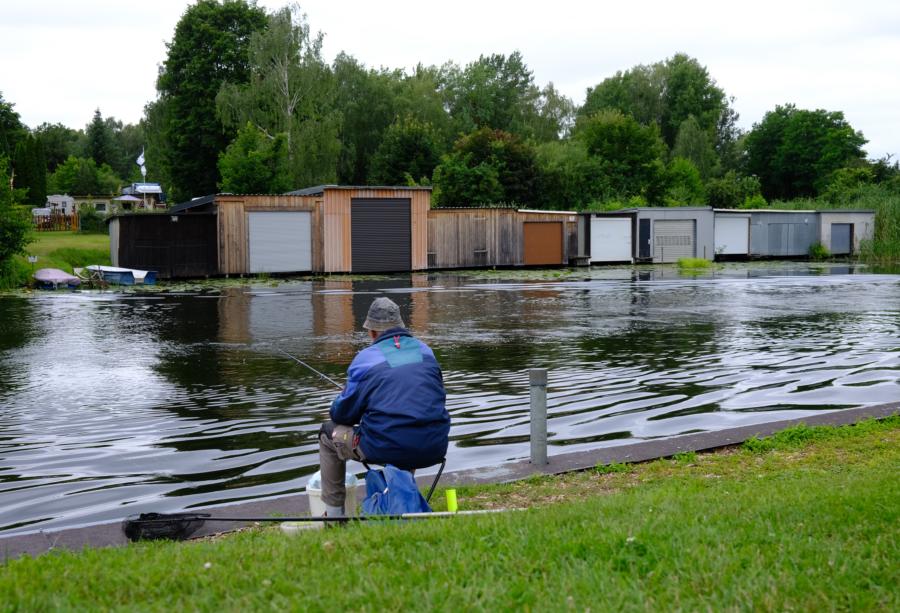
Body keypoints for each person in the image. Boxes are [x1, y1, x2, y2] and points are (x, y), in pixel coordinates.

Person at [318, 297, 450, 516]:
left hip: (386, 446)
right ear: (401, 326)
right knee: (408, 429)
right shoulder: (426, 351)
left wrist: (345, 398)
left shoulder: (365, 359)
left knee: (326, 432)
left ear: (371, 332)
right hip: (433, 445)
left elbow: (342, 414)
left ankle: (333, 517)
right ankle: (403, 499)